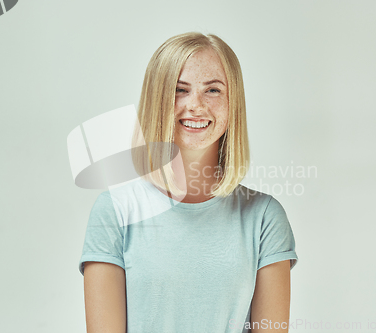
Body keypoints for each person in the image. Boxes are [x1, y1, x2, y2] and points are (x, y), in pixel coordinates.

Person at [79, 32, 298, 333]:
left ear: (233, 102)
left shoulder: (264, 218)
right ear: (156, 100)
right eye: (180, 90)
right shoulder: (115, 211)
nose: (195, 105)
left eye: (213, 90)